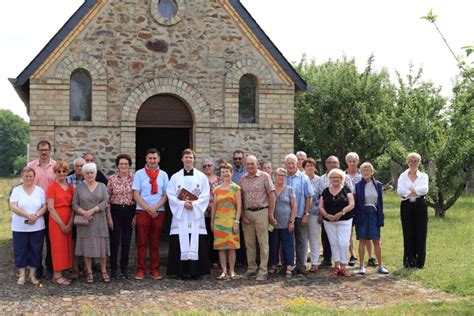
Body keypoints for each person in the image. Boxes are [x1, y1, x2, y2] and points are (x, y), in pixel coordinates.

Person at [166, 149, 211, 279]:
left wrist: (195, 205)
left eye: (191, 157)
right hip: (181, 215)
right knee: (179, 240)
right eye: (186, 157)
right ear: (182, 159)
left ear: (194, 159)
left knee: (196, 239)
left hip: (195, 215)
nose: (188, 159)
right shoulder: (175, 177)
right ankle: (180, 271)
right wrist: (182, 204)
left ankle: (196, 271)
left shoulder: (201, 177)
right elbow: (171, 195)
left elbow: (205, 195)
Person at [73, 163, 112, 283]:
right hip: (85, 222)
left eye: (92, 173)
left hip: (100, 220)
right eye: (87, 173)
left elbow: (106, 201)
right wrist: (84, 212)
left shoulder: (102, 186)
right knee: (87, 248)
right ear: (83, 174)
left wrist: (93, 210)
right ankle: (89, 272)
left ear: (95, 174)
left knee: (102, 249)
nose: (90, 175)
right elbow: (74, 204)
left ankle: (104, 271)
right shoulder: (79, 188)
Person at [132, 148, 169, 280]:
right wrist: (148, 209)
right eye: (150, 158)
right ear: (146, 159)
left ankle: (154, 269)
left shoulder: (164, 175)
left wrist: (155, 208)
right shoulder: (139, 174)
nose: (152, 161)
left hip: (158, 211)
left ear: (158, 159)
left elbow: (165, 195)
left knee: (154, 242)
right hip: (142, 210)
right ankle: (141, 269)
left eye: (155, 158)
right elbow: (136, 195)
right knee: (142, 242)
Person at [239, 155, 276, 281]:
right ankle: (251, 268)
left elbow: (272, 195)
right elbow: (241, 198)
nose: (250, 166)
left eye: (252, 164)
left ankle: (263, 271)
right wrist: (242, 215)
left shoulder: (265, 176)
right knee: (249, 243)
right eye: (248, 164)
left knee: (263, 243)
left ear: (257, 164)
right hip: (247, 212)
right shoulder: (242, 178)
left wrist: (270, 214)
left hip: (262, 212)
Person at [9, 167, 47, 285]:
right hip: (20, 227)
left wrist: (35, 215)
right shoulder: (16, 190)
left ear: (34, 177)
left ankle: (32, 275)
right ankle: (21, 275)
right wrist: (28, 216)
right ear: (22, 176)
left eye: (31, 176)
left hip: (37, 226)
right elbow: (13, 207)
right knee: (20, 250)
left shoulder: (40, 191)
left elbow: (44, 206)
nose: (29, 178)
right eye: (26, 176)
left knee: (36, 250)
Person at [315, 156, 354, 266]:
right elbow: (320, 205)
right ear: (330, 179)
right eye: (333, 177)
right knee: (333, 243)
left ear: (341, 178)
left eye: (337, 177)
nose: (335, 179)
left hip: (344, 219)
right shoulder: (325, 190)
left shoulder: (346, 187)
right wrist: (325, 215)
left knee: (343, 243)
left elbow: (352, 203)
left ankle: (344, 265)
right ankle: (336, 265)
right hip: (329, 220)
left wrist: (341, 212)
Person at [27, 140, 56, 278]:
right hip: (36, 210)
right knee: (37, 241)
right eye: (41, 150)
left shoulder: (56, 166)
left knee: (51, 240)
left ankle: (51, 267)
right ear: (37, 151)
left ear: (50, 151)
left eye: (46, 150)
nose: (44, 152)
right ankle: (37, 268)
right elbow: (26, 185)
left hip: (51, 208)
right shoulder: (30, 166)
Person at [354, 162, 389, 275]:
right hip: (362, 213)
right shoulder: (357, 185)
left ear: (372, 172)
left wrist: (381, 216)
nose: (366, 172)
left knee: (376, 240)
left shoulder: (378, 185)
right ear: (361, 172)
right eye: (363, 170)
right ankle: (361, 266)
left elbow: (380, 203)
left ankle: (380, 265)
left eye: (368, 170)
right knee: (362, 240)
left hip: (374, 213)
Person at [397, 152, 429, 269]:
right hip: (406, 205)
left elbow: (424, 189)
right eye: (411, 161)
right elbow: (400, 191)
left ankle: (419, 262)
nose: (413, 163)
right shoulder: (403, 176)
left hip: (420, 205)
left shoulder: (424, 176)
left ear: (419, 162)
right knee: (408, 232)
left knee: (421, 232)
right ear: (407, 162)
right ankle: (408, 261)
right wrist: (415, 191)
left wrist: (410, 190)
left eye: (415, 161)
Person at [211, 163, 242, 280]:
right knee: (221, 247)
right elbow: (214, 206)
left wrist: (237, 222)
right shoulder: (217, 189)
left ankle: (232, 271)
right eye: (223, 172)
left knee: (232, 247)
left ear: (231, 172)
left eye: (227, 171)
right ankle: (223, 271)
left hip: (231, 221)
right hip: (219, 221)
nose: (225, 174)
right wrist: (212, 221)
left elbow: (239, 206)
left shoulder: (236, 188)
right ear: (221, 173)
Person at [285, 154, 314, 275]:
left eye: (293, 163)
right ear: (285, 165)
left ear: (297, 164)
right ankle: (288, 264)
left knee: (301, 240)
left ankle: (301, 265)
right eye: (288, 163)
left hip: (300, 214)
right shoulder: (282, 177)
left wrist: (306, 214)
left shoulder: (304, 178)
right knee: (286, 241)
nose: (290, 165)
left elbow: (309, 196)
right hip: (285, 216)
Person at [108, 154, 136, 279]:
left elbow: (137, 197)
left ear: (129, 165)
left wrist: (136, 215)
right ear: (117, 166)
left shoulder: (135, 179)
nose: (123, 166)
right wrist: (109, 217)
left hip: (130, 211)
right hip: (115, 210)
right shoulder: (112, 179)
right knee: (114, 241)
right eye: (121, 164)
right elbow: (107, 198)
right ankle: (113, 269)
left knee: (126, 241)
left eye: (126, 164)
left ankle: (124, 268)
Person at [46, 160, 74, 285]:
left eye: (64, 171)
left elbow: (73, 206)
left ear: (67, 173)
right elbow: (50, 208)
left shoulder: (70, 187)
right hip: (56, 221)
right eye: (59, 171)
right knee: (57, 247)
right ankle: (57, 275)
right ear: (55, 173)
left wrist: (70, 223)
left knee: (66, 247)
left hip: (69, 218)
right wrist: (62, 224)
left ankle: (61, 273)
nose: (62, 173)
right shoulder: (52, 187)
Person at [345, 152, 375, 267]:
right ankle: (352, 255)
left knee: (366, 232)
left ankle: (370, 256)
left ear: (358, 161)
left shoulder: (363, 173)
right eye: (350, 161)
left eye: (354, 161)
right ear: (346, 162)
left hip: (362, 207)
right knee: (348, 233)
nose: (352, 163)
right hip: (348, 207)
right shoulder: (342, 175)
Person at [269, 168, 296, 278]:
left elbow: (294, 206)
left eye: (283, 175)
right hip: (273, 223)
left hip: (286, 222)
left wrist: (292, 221)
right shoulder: (271, 190)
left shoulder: (289, 189)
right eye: (278, 175)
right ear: (274, 176)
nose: (280, 177)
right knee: (273, 244)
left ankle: (289, 266)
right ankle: (274, 265)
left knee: (288, 245)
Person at [65, 157, 86, 278]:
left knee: (83, 241)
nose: (79, 168)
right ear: (73, 168)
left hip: (84, 214)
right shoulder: (67, 180)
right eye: (77, 166)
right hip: (71, 214)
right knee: (73, 242)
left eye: (81, 166)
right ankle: (75, 267)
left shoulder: (88, 180)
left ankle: (85, 267)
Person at [202, 157, 222, 269]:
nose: (207, 168)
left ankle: (215, 260)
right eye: (205, 166)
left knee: (215, 237)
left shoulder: (220, 180)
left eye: (209, 165)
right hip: (202, 213)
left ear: (214, 167)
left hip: (217, 213)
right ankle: (205, 259)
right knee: (204, 237)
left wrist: (214, 204)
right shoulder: (200, 179)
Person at [303, 157, 321, 272]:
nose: (309, 167)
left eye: (311, 165)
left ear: (314, 167)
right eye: (307, 165)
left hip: (315, 213)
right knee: (302, 239)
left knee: (313, 237)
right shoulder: (301, 179)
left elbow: (322, 197)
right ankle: (302, 262)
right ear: (303, 167)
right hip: (302, 213)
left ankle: (314, 262)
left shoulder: (319, 180)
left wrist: (321, 213)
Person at [231, 149, 247, 266]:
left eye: (239, 158)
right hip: (233, 206)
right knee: (235, 232)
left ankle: (244, 259)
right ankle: (236, 260)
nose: (237, 160)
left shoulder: (247, 171)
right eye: (235, 158)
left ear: (243, 159)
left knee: (246, 233)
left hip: (246, 205)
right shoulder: (231, 172)